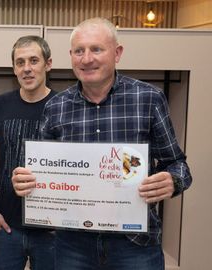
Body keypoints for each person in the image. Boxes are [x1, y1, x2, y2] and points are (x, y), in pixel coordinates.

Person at [12, 18, 192, 270]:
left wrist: (173, 181)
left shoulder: (148, 99)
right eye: (79, 51)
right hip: (72, 244)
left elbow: (177, 164)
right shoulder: (56, 107)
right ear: (71, 56)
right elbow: (38, 170)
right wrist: (24, 180)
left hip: (134, 243)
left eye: (96, 49)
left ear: (117, 53)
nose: (86, 59)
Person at [0, 35, 56, 270]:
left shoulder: (64, 106)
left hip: (52, 231)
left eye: (34, 61)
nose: (27, 69)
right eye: (20, 62)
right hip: (6, 225)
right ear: (14, 68)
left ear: (48, 64)